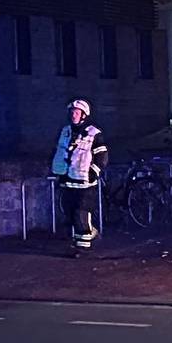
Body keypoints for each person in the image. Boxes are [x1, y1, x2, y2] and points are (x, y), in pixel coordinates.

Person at [50, 99, 106, 256]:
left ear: (84, 115)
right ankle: (87, 236)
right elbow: (59, 152)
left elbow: (102, 157)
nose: (73, 115)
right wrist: (57, 171)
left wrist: (93, 172)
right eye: (72, 112)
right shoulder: (65, 131)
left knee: (81, 214)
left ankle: (83, 248)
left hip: (85, 184)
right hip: (67, 180)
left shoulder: (94, 133)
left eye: (76, 112)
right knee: (70, 213)